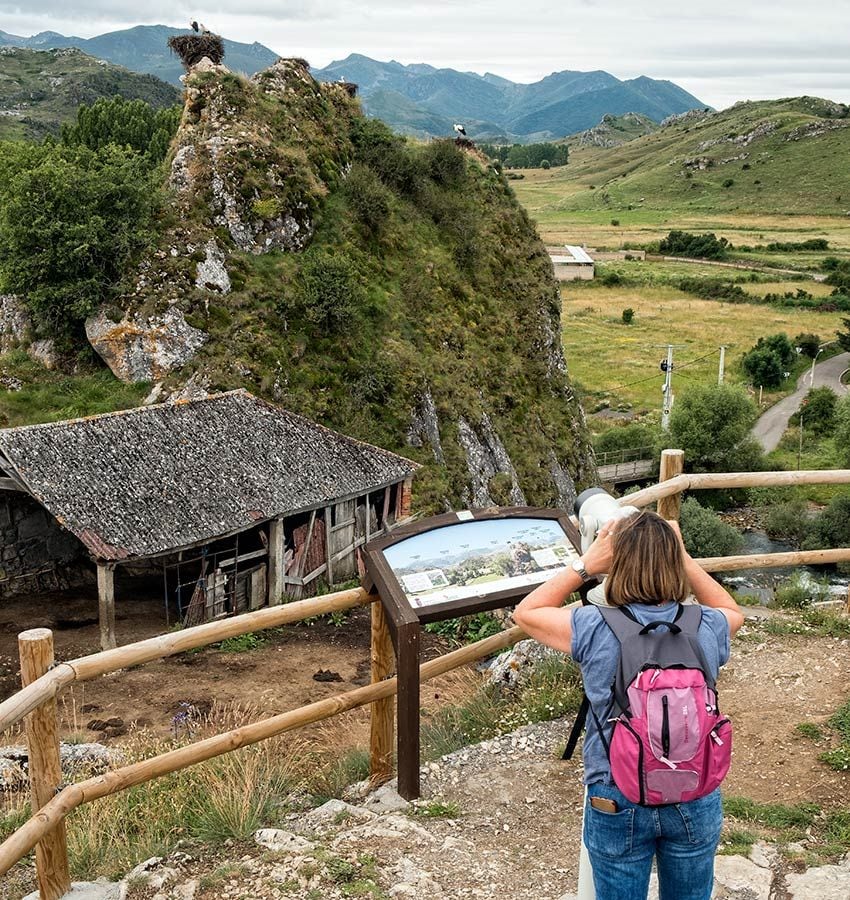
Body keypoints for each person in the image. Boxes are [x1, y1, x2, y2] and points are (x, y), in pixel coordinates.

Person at [514, 510, 743, 900]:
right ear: (675, 564)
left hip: (615, 792)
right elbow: (733, 610)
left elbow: (526, 612)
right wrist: (681, 556)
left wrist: (586, 564)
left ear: (616, 564)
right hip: (695, 789)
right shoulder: (707, 624)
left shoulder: (591, 624)